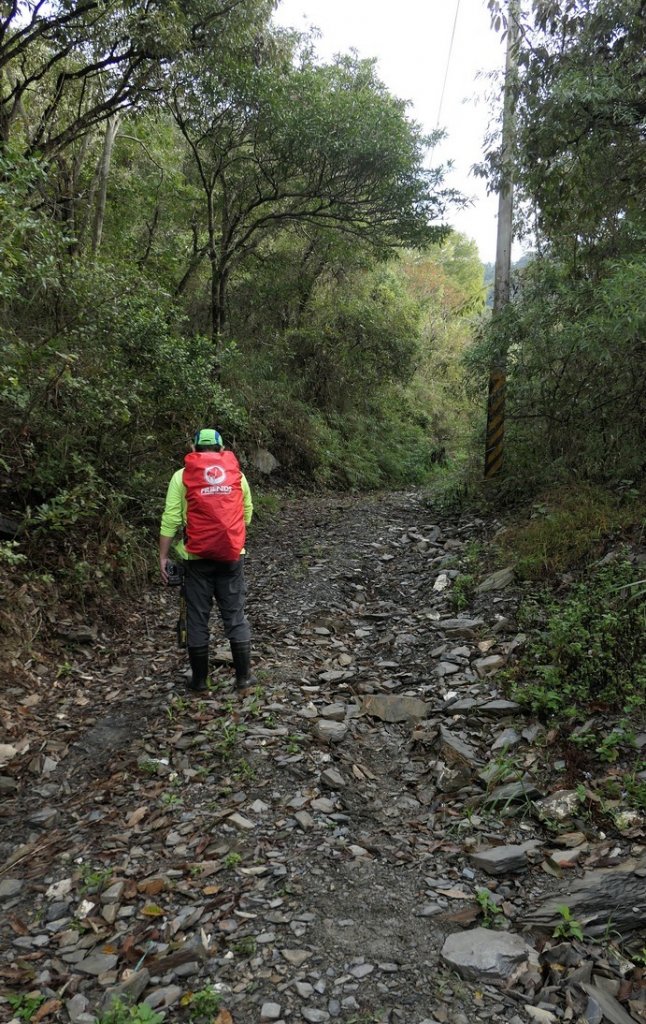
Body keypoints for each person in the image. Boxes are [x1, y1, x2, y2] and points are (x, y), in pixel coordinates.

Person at [159, 428, 255, 694]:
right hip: (232, 557)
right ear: (222, 449)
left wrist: (163, 556)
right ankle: (244, 679)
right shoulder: (237, 475)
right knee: (234, 615)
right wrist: (232, 536)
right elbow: (247, 511)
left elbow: (171, 519)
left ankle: (200, 682)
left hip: (196, 559)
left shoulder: (182, 476)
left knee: (198, 619)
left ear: (194, 448)